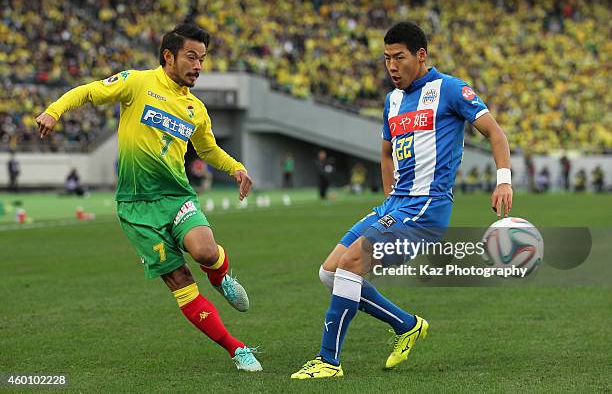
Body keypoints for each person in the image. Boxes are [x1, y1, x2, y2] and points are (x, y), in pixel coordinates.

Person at [291, 22, 512, 379]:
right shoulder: (392, 101)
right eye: (386, 59)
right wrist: (389, 199)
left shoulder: (451, 89)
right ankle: (406, 324)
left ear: (420, 56)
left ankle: (328, 361)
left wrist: (504, 182)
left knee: (350, 264)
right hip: (396, 205)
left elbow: (495, 133)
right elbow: (385, 152)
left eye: (399, 57)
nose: (391, 66)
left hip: (426, 209)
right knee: (329, 273)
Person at [35, 23, 261, 372]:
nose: (198, 65)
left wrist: (236, 168)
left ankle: (221, 279)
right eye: (191, 57)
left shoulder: (196, 109)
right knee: (182, 282)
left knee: (205, 251)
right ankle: (236, 348)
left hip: (176, 195)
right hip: (136, 207)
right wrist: (54, 110)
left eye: (202, 59)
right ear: (168, 56)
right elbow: (89, 91)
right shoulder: (138, 83)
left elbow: (208, 149)